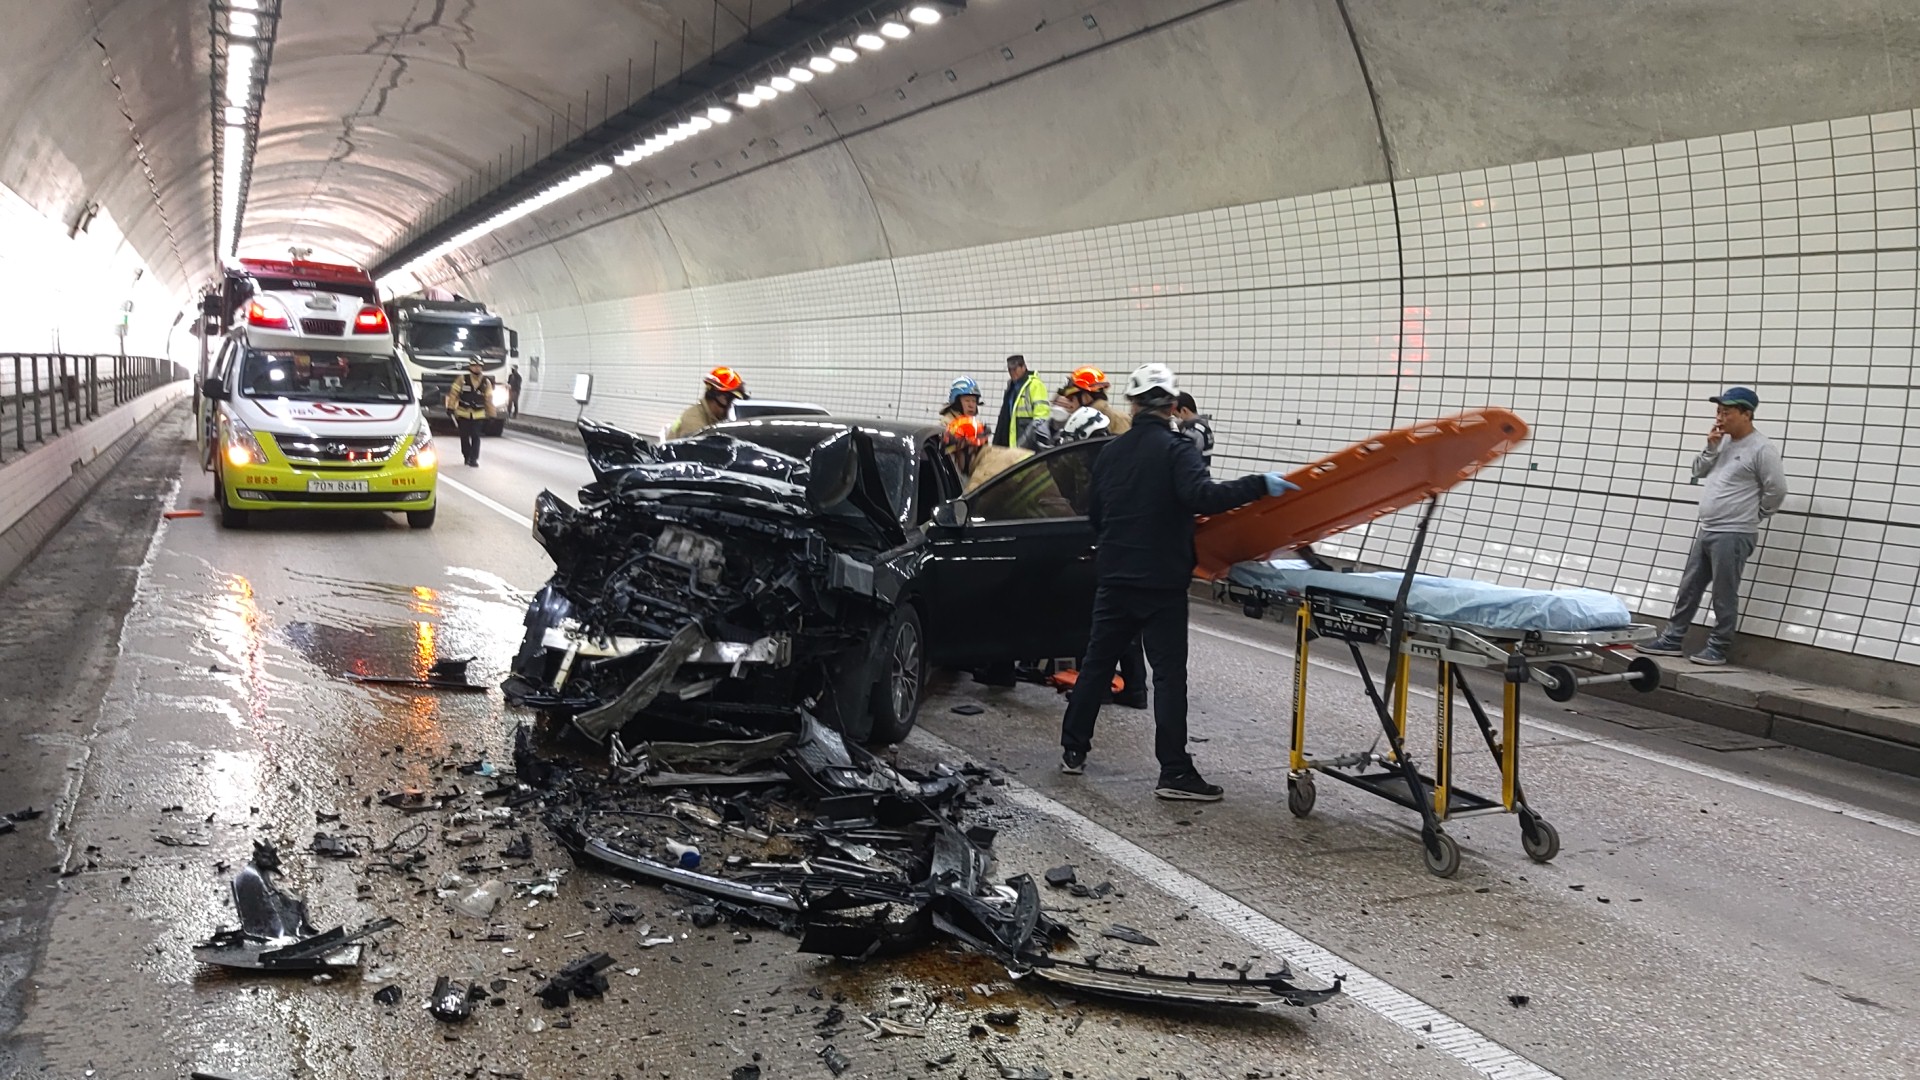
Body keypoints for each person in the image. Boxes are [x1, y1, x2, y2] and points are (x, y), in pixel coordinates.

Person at [1058, 363, 1297, 800]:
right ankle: (1174, 772)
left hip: (1115, 577)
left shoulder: (1110, 453)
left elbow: (1096, 515)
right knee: (1168, 677)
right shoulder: (1177, 450)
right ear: (1171, 406)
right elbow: (1203, 497)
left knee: (1096, 664)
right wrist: (1258, 485)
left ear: (1133, 405)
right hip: (1162, 583)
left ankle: (1073, 750)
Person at [1636, 386, 1788, 666]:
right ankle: (1672, 639)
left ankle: (1718, 647)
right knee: (1690, 587)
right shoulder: (1723, 442)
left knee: (1723, 592)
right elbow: (1697, 471)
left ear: (1746, 414)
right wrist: (1711, 447)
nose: (1720, 418)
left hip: (1734, 532)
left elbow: (1776, 489)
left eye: (1727, 412)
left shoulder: (1761, 449)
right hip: (1708, 527)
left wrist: (1757, 514)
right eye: (1718, 411)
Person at [668, 366, 749, 440]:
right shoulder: (694, 420)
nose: (730, 406)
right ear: (714, 396)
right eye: (729, 400)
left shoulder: (716, 418)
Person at [444, 360, 497, 466]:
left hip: (478, 414)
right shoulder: (462, 379)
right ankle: (466, 455)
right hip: (463, 413)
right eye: (474, 366)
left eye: (479, 366)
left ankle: (474, 459)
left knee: (476, 436)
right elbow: (454, 394)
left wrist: (492, 414)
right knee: (464, 436)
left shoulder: (486, 382)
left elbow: (489, 399)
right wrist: (450, 407)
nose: (477, 368)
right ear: (470, 367)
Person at [995, 354, 1050, 448]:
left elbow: (1041, 417)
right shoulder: (1011, 387)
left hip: (1027, 445)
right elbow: (1004, 417)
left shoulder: (1035, 385)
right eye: (1009, 370)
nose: (1012, 373)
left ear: (1023, 367)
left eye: (1015, 369)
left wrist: (1030, 442)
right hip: (1012, 443)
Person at [1060, 366, 1131, 435]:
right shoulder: (1078, 420)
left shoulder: (1119, 420)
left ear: (1086, 397)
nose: (1067, 402)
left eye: (1070, 398)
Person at [1175, 391, 1214, 467]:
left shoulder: (1192, 431)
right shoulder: (1203, 426)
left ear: (1184, 410)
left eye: (1175, 415)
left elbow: (1183, 456)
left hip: (1192, 472)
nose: (1174, 419)